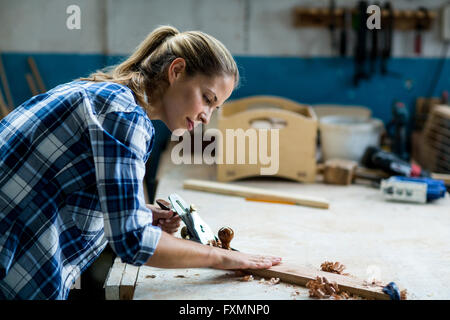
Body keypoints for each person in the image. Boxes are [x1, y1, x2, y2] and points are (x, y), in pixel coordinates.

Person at [0, 25, 281, 300]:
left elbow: (69, 189)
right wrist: (222, 257)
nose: (207, 116)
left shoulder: (103, 93)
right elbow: (133, 243)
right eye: (207, 99)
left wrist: (140, 213)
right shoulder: (123, 115)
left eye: (214, 107)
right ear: (176, 71)